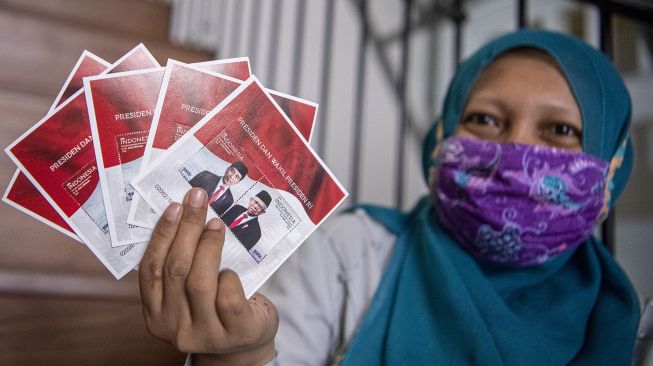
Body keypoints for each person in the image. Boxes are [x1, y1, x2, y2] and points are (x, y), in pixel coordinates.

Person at [138, 29, 641, 365]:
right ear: (441, 137)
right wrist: (240, 355)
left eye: (559, 129)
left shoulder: (634, 326)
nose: (516, 150)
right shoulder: (354, 250)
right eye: (485, 119)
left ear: (611, 167)